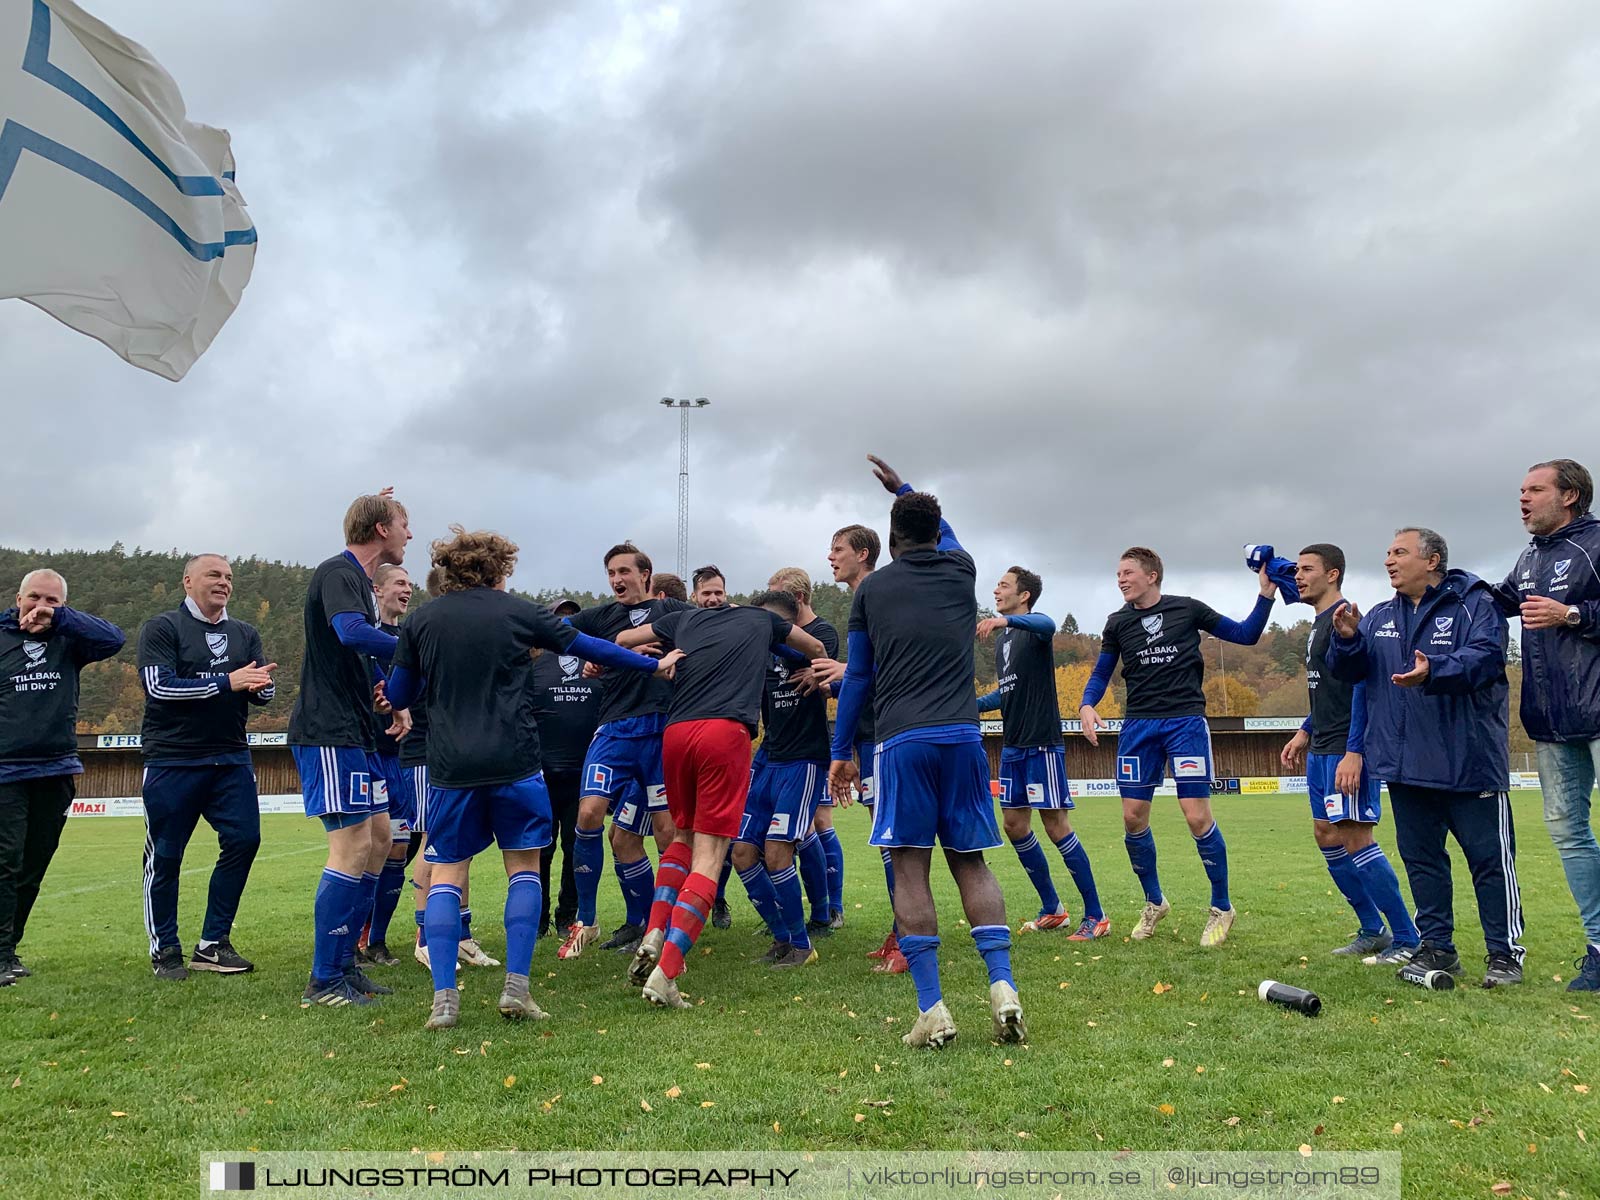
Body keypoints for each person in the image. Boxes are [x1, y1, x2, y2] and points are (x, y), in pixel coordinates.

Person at [385, 527, 680, 1030]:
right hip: (517, 761)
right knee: (522, 869)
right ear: (500, 568)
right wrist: (649, 666)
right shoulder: (519, 611)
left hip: (451, 767)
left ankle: (444, 1000)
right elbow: (592, 646)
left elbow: (399, 692)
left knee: (448, 873)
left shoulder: (421, 620)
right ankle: (516, 990)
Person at [829, 456, 1025, 1049]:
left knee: (909, 865)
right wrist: (906, 488)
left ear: (890, 541)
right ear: (937, 533)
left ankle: (932, 1008)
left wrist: (841, 749)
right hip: (964, 736)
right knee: (972, 860)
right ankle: (1003, 986)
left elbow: (858, 676)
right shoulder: (960, 570)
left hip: (901, 740)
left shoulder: (874, 589)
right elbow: (951, 534)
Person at [1328, 527, 1524, 988]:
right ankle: (1437, 947)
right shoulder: (1378, 615)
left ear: (1432, 560)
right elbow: (1352, 674)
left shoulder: (1476, 604)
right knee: (1423, 862)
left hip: (1468, 761)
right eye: (1387, 553)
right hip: (1405, 765)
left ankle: (1504, 955)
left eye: (1400, 552)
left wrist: (1434, 670)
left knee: (1490, 862)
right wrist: (1350, 640)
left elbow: (1486, 659)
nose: (1389, 561)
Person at [616, 592, 826, 1005]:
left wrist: (655, 664)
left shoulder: (685, 620)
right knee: (711, 856)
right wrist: (807, 664)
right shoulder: (762, 621)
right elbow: (816, 647)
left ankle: (656, 929)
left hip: (676, 733)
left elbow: (623, 638)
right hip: (723, 732)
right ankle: (667, 972)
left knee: (682, 837)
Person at [1078, 547, 1278, 947]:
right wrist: (1086, 704)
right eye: (1117, 573)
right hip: (1139, 726)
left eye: (1127, 572)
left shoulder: (1187, 609)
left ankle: (1221, 906)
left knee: (1195, 816)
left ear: (1152, 575)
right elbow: (1103, 672)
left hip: (1184, 722)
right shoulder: (1117, 622)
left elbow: (1245, 634)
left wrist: (1266, 595)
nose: (1120, 579)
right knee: (1132, 818)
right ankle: (1154, 902)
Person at [286, 492, 412, 1008]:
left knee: (380, 839)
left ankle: (346, 963)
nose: (410, 535)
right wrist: (420, 650)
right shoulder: (339, 573)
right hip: (328, 731)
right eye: (405, 524)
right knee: (353, 847)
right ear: (382, 528)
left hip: (357, 731)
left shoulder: (360, 582)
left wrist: (390, 695)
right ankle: (324, 980)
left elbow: (359, 654)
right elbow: (351, 632)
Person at [1278, 545, 1419, 962]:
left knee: (1356, 837)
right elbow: (1328, 689)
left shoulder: (1349, 621)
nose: (1298, 577)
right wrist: (1305, 730)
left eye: (1307, 570)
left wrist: (1355, 751)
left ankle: (1409, 938)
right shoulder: (1318, 623)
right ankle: (1372, 929)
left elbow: (1361, 685)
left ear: (1333, 574)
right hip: (1321, 745)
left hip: (1346, 747)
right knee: (1326, 835)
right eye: (1297, 570)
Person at [137, 554, 275, 980]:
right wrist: (227, 682)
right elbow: (159, 687)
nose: (224, 582)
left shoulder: (244, 633)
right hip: (172, 760)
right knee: (166, 856)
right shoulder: (162, 628)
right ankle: (166, 949)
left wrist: (262, 687)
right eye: (214, 575)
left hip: (231, 757)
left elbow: (260, 694)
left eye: (229, 577)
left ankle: (213, 944)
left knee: (244, 840)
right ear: (188, 581)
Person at [1492, 460, 1600, 991]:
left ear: (1572, 496)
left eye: (1535, 489)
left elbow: (1575, 614)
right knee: (1568, 833)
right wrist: (1440, 586)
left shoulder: (1596, 545)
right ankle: (1599, 948)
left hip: (1599, 712)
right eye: (1521, 491)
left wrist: (1574, 615)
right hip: (1552, 721)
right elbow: (1496, 602)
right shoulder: (1529, 557)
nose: (1523, 498)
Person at [558, 543, 691, 959]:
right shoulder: (601, 617)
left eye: (624, 572)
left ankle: (660, 926)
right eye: (611, 573)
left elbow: (700, 647)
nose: (616, 580)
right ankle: (590, 919)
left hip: (659, 731)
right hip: (614, 730)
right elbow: (555, 628)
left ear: (646, 574)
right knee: (588, 814)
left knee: (664, 833)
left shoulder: (673, 613)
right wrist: (594, 658)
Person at [0, 569, 125, 986]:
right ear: (17, 598)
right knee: (5, 861)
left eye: (51, 601)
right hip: (6, 770)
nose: (40, 606)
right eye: (34, 597)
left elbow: (114, 638)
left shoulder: (69, 642)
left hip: (56, 768)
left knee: (33, 864)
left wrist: (61, 620)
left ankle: (9, 948)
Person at [976, 567, 1107, 940]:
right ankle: (1053, 909)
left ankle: (1096, 915)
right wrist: (968, 705)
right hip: (1014, 746)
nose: (997, 590)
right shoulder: (1004, 642)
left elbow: (1048, 624)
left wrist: (1003, 621)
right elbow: (1006, 693)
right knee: (1014, 825)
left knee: (1055, 826)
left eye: (1004, 585)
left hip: (1041, 744)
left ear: (1025, 596)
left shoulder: (1033, 631)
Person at [804, 523, 904, 971]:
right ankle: (903, 930)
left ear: (863, 553)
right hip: (869, 738)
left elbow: (897, 663)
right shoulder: (863, 600)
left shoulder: (884, 594)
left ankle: (910, 936)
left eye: (838, 549)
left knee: (894, 839)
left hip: (893, 734)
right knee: (885, 835)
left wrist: (846, 669)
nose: (830, 557)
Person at [735, 568, 838, 963]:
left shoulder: (816, 641)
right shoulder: (762, 654)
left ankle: (803, 942)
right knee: (742, 851)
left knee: (779, 851)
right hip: (769, 758)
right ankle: (782, 936)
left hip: (804, 760)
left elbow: (813, 657)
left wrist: (773, 637)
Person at [528, 598, 602, 937]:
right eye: (560, 618)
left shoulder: (597, 662)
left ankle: (567, 914)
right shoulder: (534, 664)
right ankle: (538, 917)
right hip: (542, 775)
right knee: (540, 849)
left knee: (577, 848)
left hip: (583, 776)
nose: (566, 623)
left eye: (573, 618)